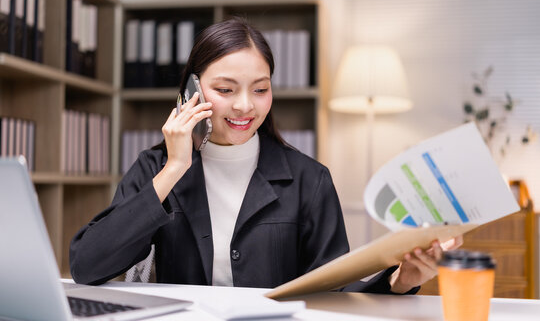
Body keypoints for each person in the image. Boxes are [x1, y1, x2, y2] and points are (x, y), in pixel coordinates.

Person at [70, 18, 459, 293]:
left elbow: (334, 288)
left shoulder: (310, 179)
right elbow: (89, 266)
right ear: (192, 91)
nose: (245, 106)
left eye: (260, 89)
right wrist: (175, 166)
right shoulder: (155, 169)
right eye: (225, 89)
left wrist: (400, 280)